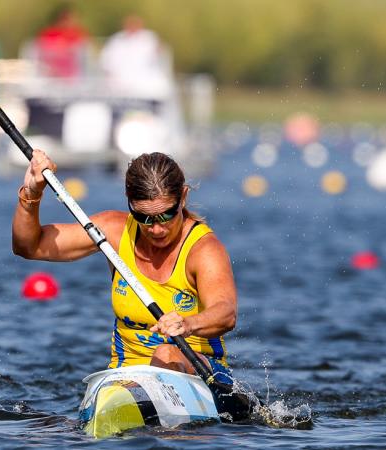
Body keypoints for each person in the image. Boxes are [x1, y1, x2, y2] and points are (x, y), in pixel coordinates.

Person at [12, 150, 237, 383]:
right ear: (129, 201)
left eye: (166, 215)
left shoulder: (203, 249)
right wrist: (31, 193)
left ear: (183, 197)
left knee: (166, 353)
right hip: (128, 378)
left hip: (203, 376)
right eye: (144, 218)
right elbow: (29, 246)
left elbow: (226, 313)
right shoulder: (113, 232)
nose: (156, 229)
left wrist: (189, 323)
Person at [99, 15, 170, 95]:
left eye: (135, 24)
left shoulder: (148, 37)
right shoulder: (117, 40)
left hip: (145, 84)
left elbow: (160, 50)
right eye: (130, 24)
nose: (132, 27)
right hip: (119, 85)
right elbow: (106, 61)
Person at [35, 5, 89, 78]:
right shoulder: (49, 34)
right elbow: (42, 52)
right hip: (51, 74)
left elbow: (84, 51)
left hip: (72, 76)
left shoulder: (78, 33)